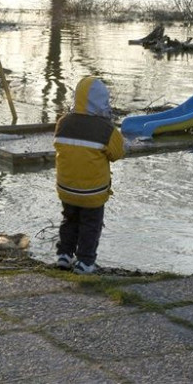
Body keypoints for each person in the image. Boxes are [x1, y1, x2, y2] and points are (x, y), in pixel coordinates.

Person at [53, 76, 125, 274]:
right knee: (91, 225)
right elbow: (117, 154)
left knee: (69, 219)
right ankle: (85, 262)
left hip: (66, 188)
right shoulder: (106, 129)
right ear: (102, 102)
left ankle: (64, 255)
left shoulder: (63, 123)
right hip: (92, 192)